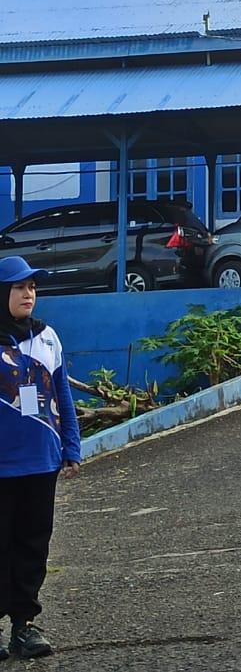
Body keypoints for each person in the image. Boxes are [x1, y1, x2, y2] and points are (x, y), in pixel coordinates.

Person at [0, 256, 79, 660]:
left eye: (32, 287)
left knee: (33, 545)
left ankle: (23, 625)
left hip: (41, 461)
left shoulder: (48, 338)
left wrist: (71, 445)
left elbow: (63, 393)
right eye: (18, 287)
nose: (28, 293)